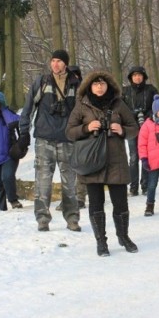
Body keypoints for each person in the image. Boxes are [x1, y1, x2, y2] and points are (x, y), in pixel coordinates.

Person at [66, 71, 140, 257]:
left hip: (116, 161)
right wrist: (86, 128)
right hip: (92, 162)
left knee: (121, 203)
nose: (99, 87)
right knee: (96, 204)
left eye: (102, 84)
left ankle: (124, 237)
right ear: (89, 86)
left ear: (109, 86)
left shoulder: (118, 104)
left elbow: (134, 128)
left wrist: (122, 130)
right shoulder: (82, 106)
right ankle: (101, 242)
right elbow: (69, 132)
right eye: (95, 84)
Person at [18, 49, 81, 232]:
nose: (55, 64)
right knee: (42, 182)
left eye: (59, 61)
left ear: (66, 64)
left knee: (69, 182)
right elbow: (28, 108)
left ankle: (72, 218)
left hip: (68, 140)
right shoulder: (41, 82)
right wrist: (24, 133)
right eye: (53, 60)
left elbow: (83, 111)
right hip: (44, 139)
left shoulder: (76, 84)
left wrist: (83, 133)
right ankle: (43, 219)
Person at [122, 66, 159, 196]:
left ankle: (145, 185)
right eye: (134, 75)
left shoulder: (151, 90)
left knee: (146, 156)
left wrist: (147, 114)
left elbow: (157, 106)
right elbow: (120, 108)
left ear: (143, 77)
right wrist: (131, 114)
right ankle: (133, 187)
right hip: (131, 127)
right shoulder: (125, 91)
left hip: (147, 126)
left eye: (139, 75)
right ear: (131, 77)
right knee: (133, 157)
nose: (137, 78)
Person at [56, 64, 87, 211]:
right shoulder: (63, 90)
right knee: (67, 169)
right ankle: (68, 198)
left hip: (81, 133)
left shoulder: (83, 92)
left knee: (80, 166)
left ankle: (80, 197)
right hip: (66, 133)